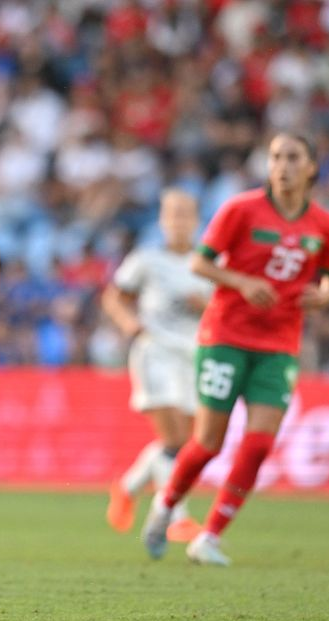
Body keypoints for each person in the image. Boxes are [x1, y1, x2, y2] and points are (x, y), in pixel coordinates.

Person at [141, 132, 329, 565]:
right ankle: (165, 505)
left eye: (293, 157)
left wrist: (326, 295)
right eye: (275, 157)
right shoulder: (241, 209)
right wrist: (242, 282)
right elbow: (200, 261)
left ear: (311, 167)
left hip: (279, 345)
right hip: (226, 338)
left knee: (258, 445)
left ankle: (210, 537)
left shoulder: (324, 225)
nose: (282, 166)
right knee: (208, 443)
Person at [102, 189, 213, 542]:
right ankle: (176, 517)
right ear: (163, 220)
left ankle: (128, 487)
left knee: (184, 444)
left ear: (197, 220)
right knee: (175, 439)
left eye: (185, 214)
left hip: (194, 357)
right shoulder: (146, 260)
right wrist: (128, 323)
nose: (179, 221)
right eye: (172, 214)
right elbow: (114, 297)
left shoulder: (209, 265)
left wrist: (206, 308)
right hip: (156, 352)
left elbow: (225, 312)